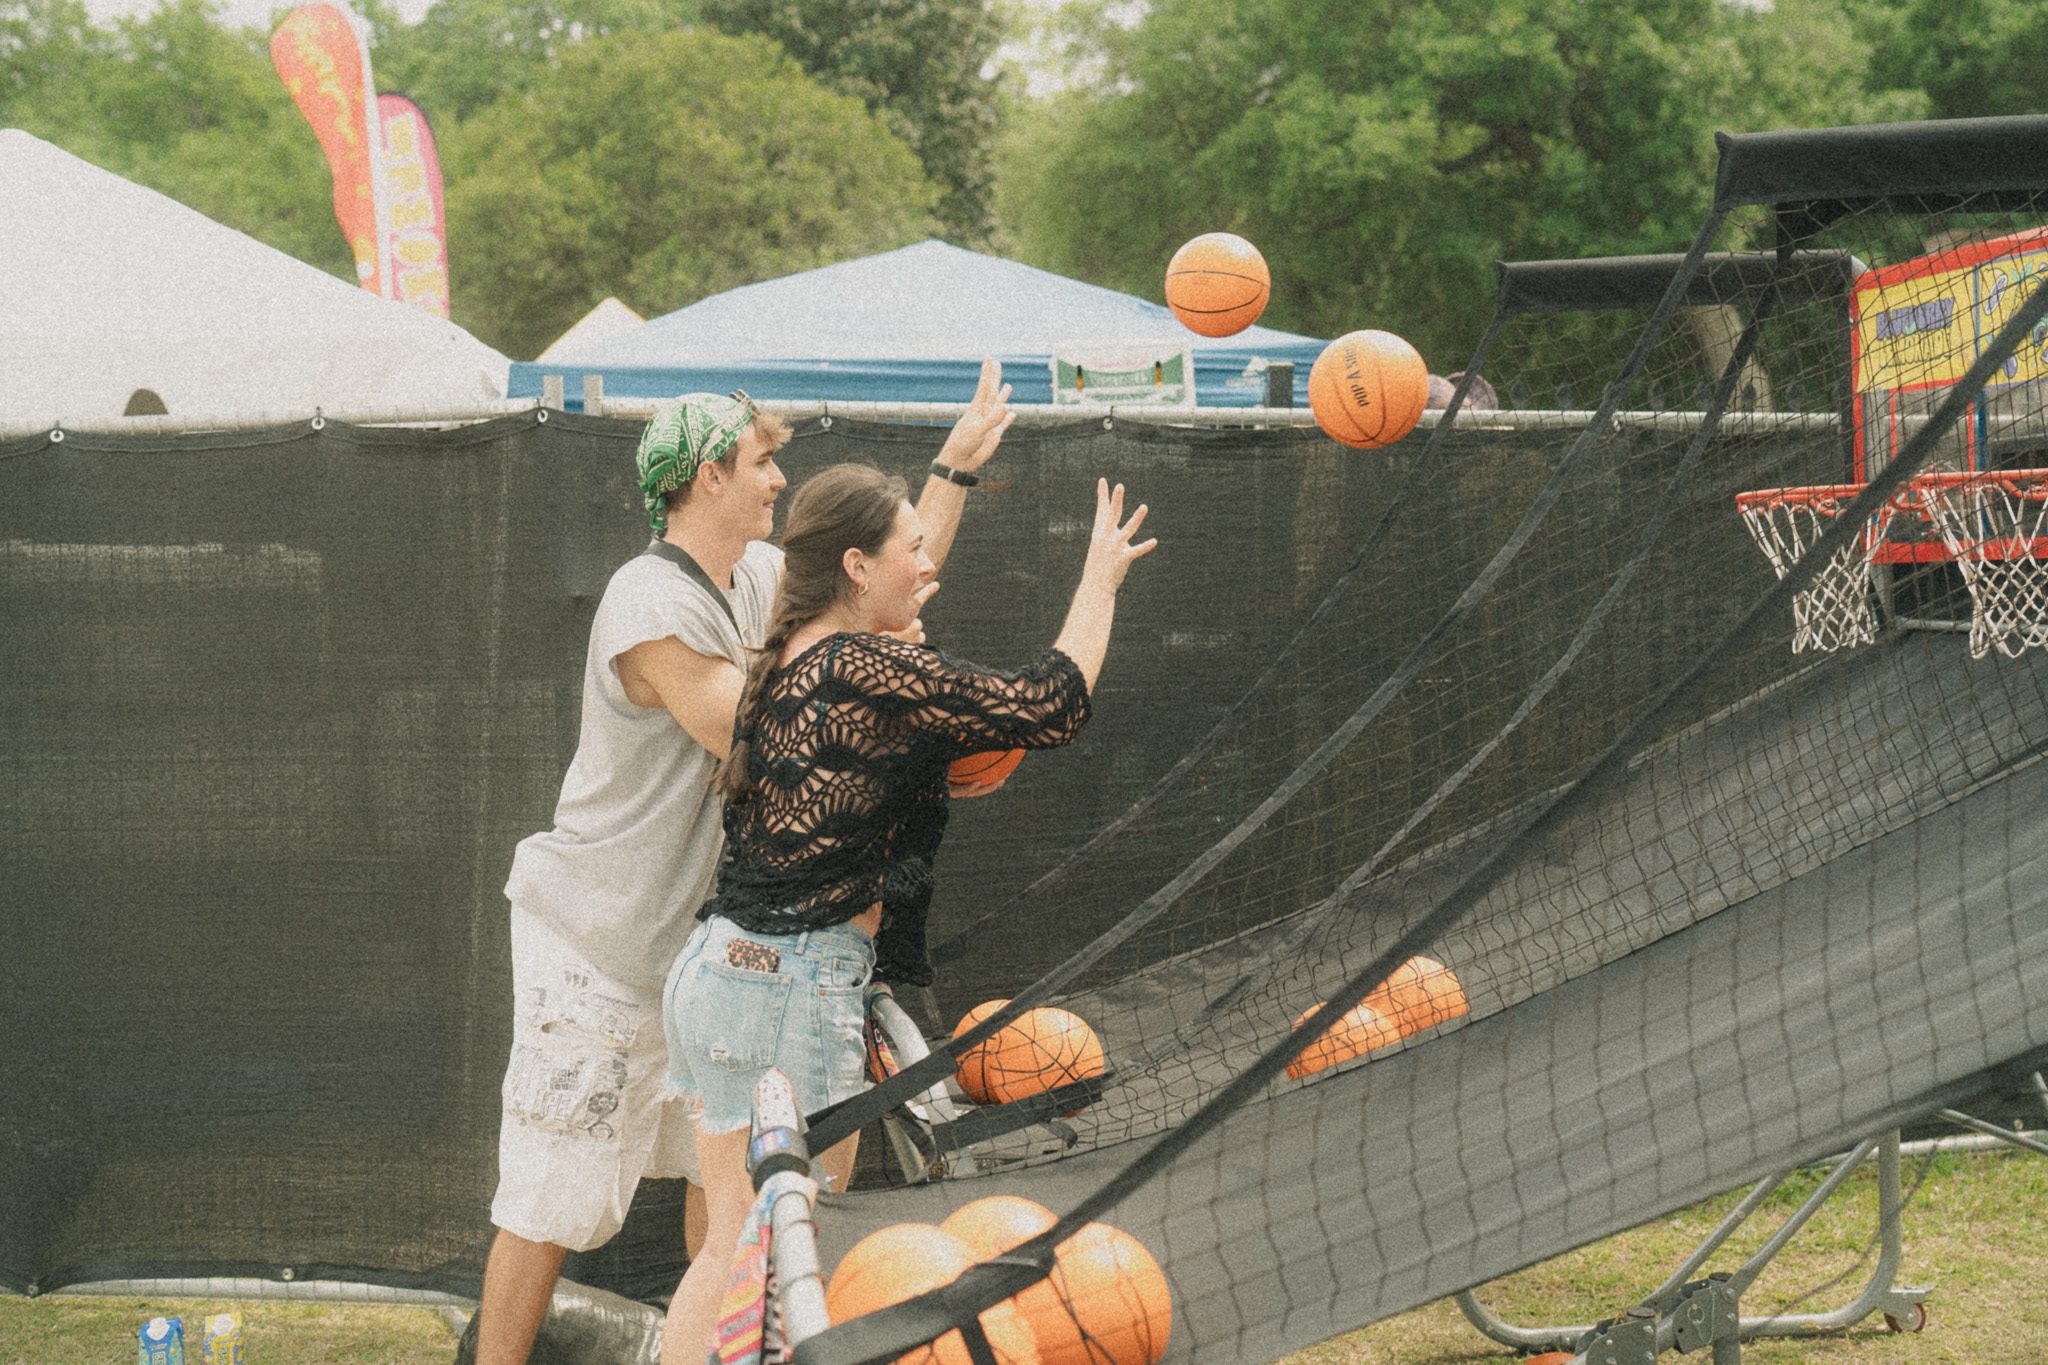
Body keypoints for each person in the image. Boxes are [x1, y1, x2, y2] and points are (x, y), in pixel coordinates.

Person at [477, 369, 1015, 1365]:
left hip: (705, 953)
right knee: (553, 1193)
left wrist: (951, 471)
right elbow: (758, 731)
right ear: (708, 474)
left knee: (718, 1188)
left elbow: (879, 577)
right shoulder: (647, 599)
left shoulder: (760, 577)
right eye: (762, 462)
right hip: (596, 942)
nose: (778, 480)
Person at [657, 463, 1157, 1364]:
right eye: (912, 547)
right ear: (857, 563)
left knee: (735, 1245)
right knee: (791, 1259)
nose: (929, 561)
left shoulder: (791, 659)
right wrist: (1100, 579)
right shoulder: (862, 664)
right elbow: (1048, 704)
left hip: (720, 974)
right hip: (786, 985)